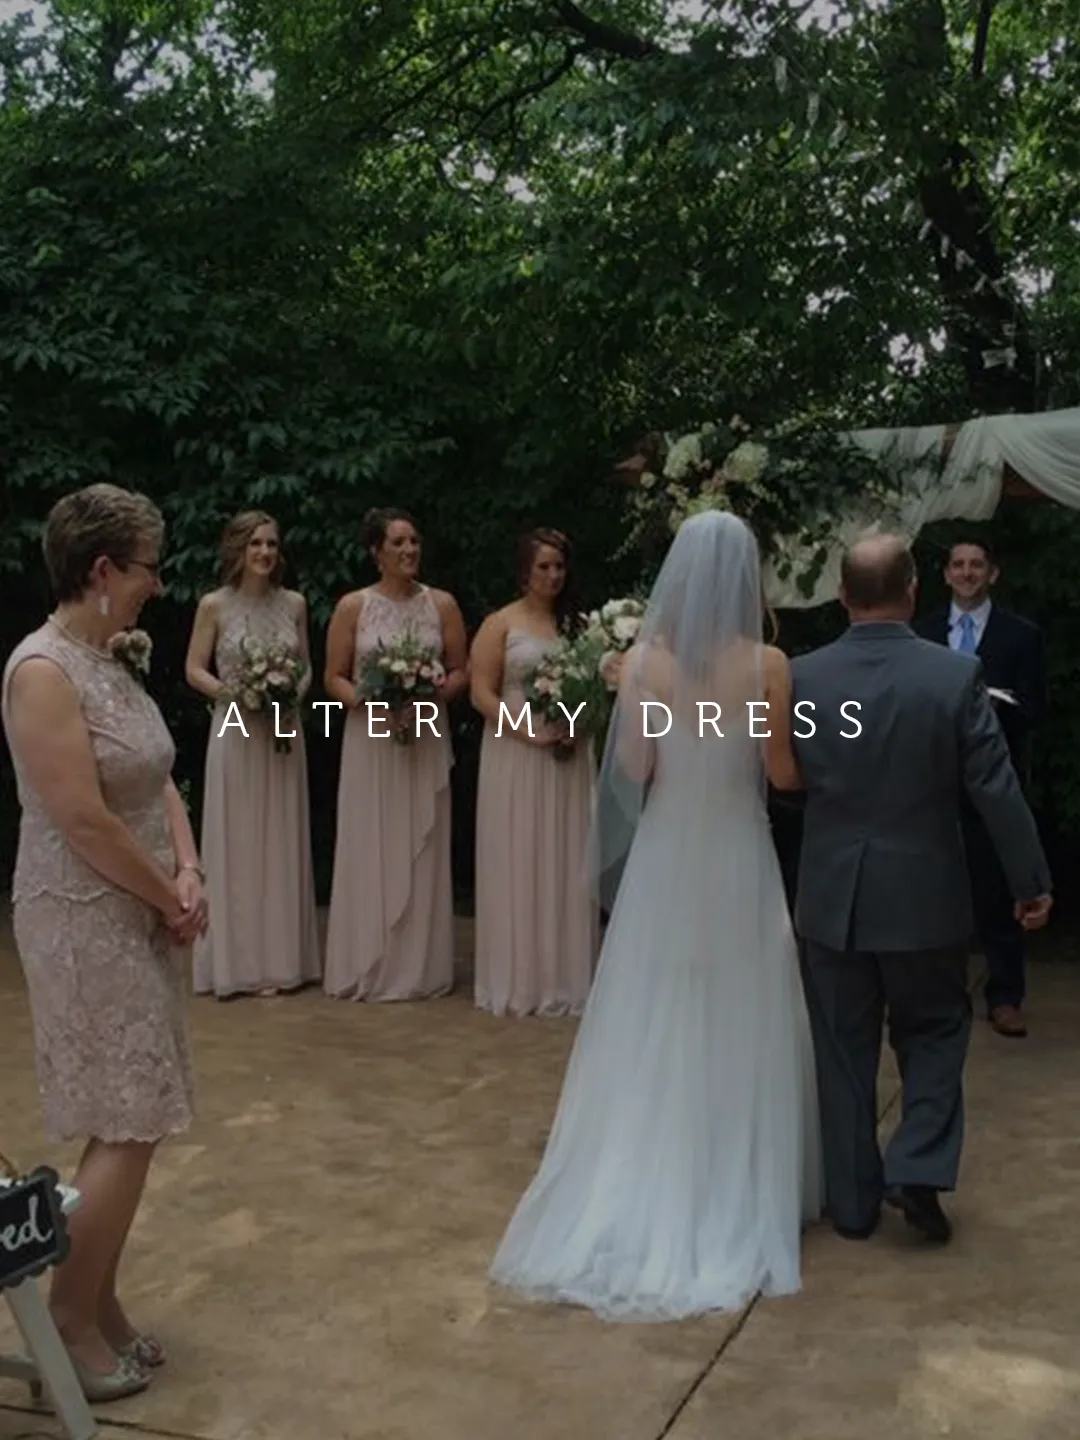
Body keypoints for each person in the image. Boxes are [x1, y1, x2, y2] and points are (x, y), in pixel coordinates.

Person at [488, 511, 823, 1321]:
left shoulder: (644, 662)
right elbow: (782, 775)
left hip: (669, 857)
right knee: (741, 1006)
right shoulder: (771, 663)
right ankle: (737, 1175)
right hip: (739, 855)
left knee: (655, 1009)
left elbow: (635, 769)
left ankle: (645, 1168)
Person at [1, 484, 207, 1399]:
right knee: (126, 1119)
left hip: (141, 911)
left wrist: (188, 871)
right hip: (84, 918)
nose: (155, 588)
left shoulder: (108, 662)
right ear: (101, 571)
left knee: (138, 1116)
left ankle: (102, 1301)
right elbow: (81, 816)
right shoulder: (41, 671)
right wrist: (168, 894)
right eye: (147, 569)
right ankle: (71, 1322)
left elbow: (157, 777)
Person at [790, 532, 1052, 1247]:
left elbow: (783, 782)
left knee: (841, 1049)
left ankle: (851, 1205)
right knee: (935, 1030)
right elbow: (995, 789)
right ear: (913, 593)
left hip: (830, 893)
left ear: (842, 597)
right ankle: (918, 1164)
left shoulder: (801, 677)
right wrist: (1030, 880)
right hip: (926, 892)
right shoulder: (954, 677)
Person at [322, 507, 469, 1000]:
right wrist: (370, 702)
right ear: (375, 552)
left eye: (414, 542)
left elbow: (460, 670)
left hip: (425, 733)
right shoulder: (352, 607)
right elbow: (333, 676)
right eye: (398, 543)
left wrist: (430, 697)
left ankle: (419, 967)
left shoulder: (442, 604)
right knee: (371, 840)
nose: (409, 551)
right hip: (372, 738)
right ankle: (368, 961)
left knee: (420, 845)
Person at [185, 510, 321, 998]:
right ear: (238, 551)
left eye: (272, 544)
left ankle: (282, 960)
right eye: (256, 544)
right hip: (237, 724)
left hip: (282, 730)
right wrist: (236, 693)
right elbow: (193, 669)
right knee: (238, 839)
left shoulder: (295, 604)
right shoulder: (215, 606)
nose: (265, 553)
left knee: (280, 838)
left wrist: (289, 696)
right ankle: (236, 963)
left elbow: (305, 668)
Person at [914, 538, 1046, 1037]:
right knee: (932, 889)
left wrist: (999, 709)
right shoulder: (922, 632)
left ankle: (1006, 995)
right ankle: (932, 994)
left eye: (976, 565)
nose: (967, 573)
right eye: (958, 565)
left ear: (992, 573)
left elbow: (1036, 707)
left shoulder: (1021, 635)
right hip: (932, 781)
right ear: (945, 574)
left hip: (994, 777)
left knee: (998, 889)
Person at [470, 528, 598, 1016]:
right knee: (519, 853)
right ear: (525, 570)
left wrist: (579, 722)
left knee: (566, 857)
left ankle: (566, 976)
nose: (552, 575)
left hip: (568, 754)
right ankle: (519, 978)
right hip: (516, 754)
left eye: (559, 567)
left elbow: (597, 686)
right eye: (543, 566)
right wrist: (528, 732)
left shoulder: (581, 626)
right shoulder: (500, 623)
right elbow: (482, 692)